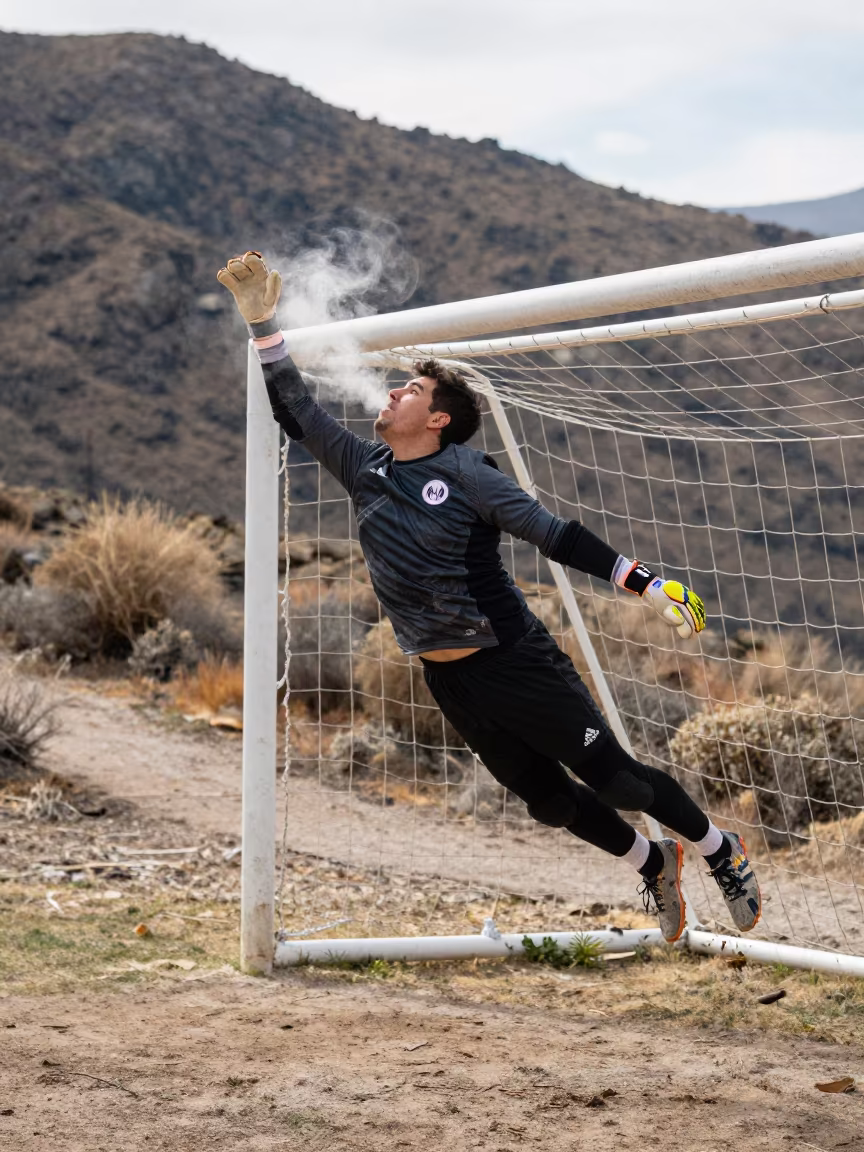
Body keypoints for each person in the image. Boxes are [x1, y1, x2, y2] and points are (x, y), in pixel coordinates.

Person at [217, 250, 762, 942]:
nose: (392, 393)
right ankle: (654, 861)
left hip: (512, 658)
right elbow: (297, 410)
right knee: (546, 802)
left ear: (439, 419)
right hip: (447, 676)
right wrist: (264, 327)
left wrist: (646, 582)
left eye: (410, 390)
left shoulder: (467, 474)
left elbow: (553, 534)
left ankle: (722, 851)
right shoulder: (364, 466)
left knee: (618, 784)